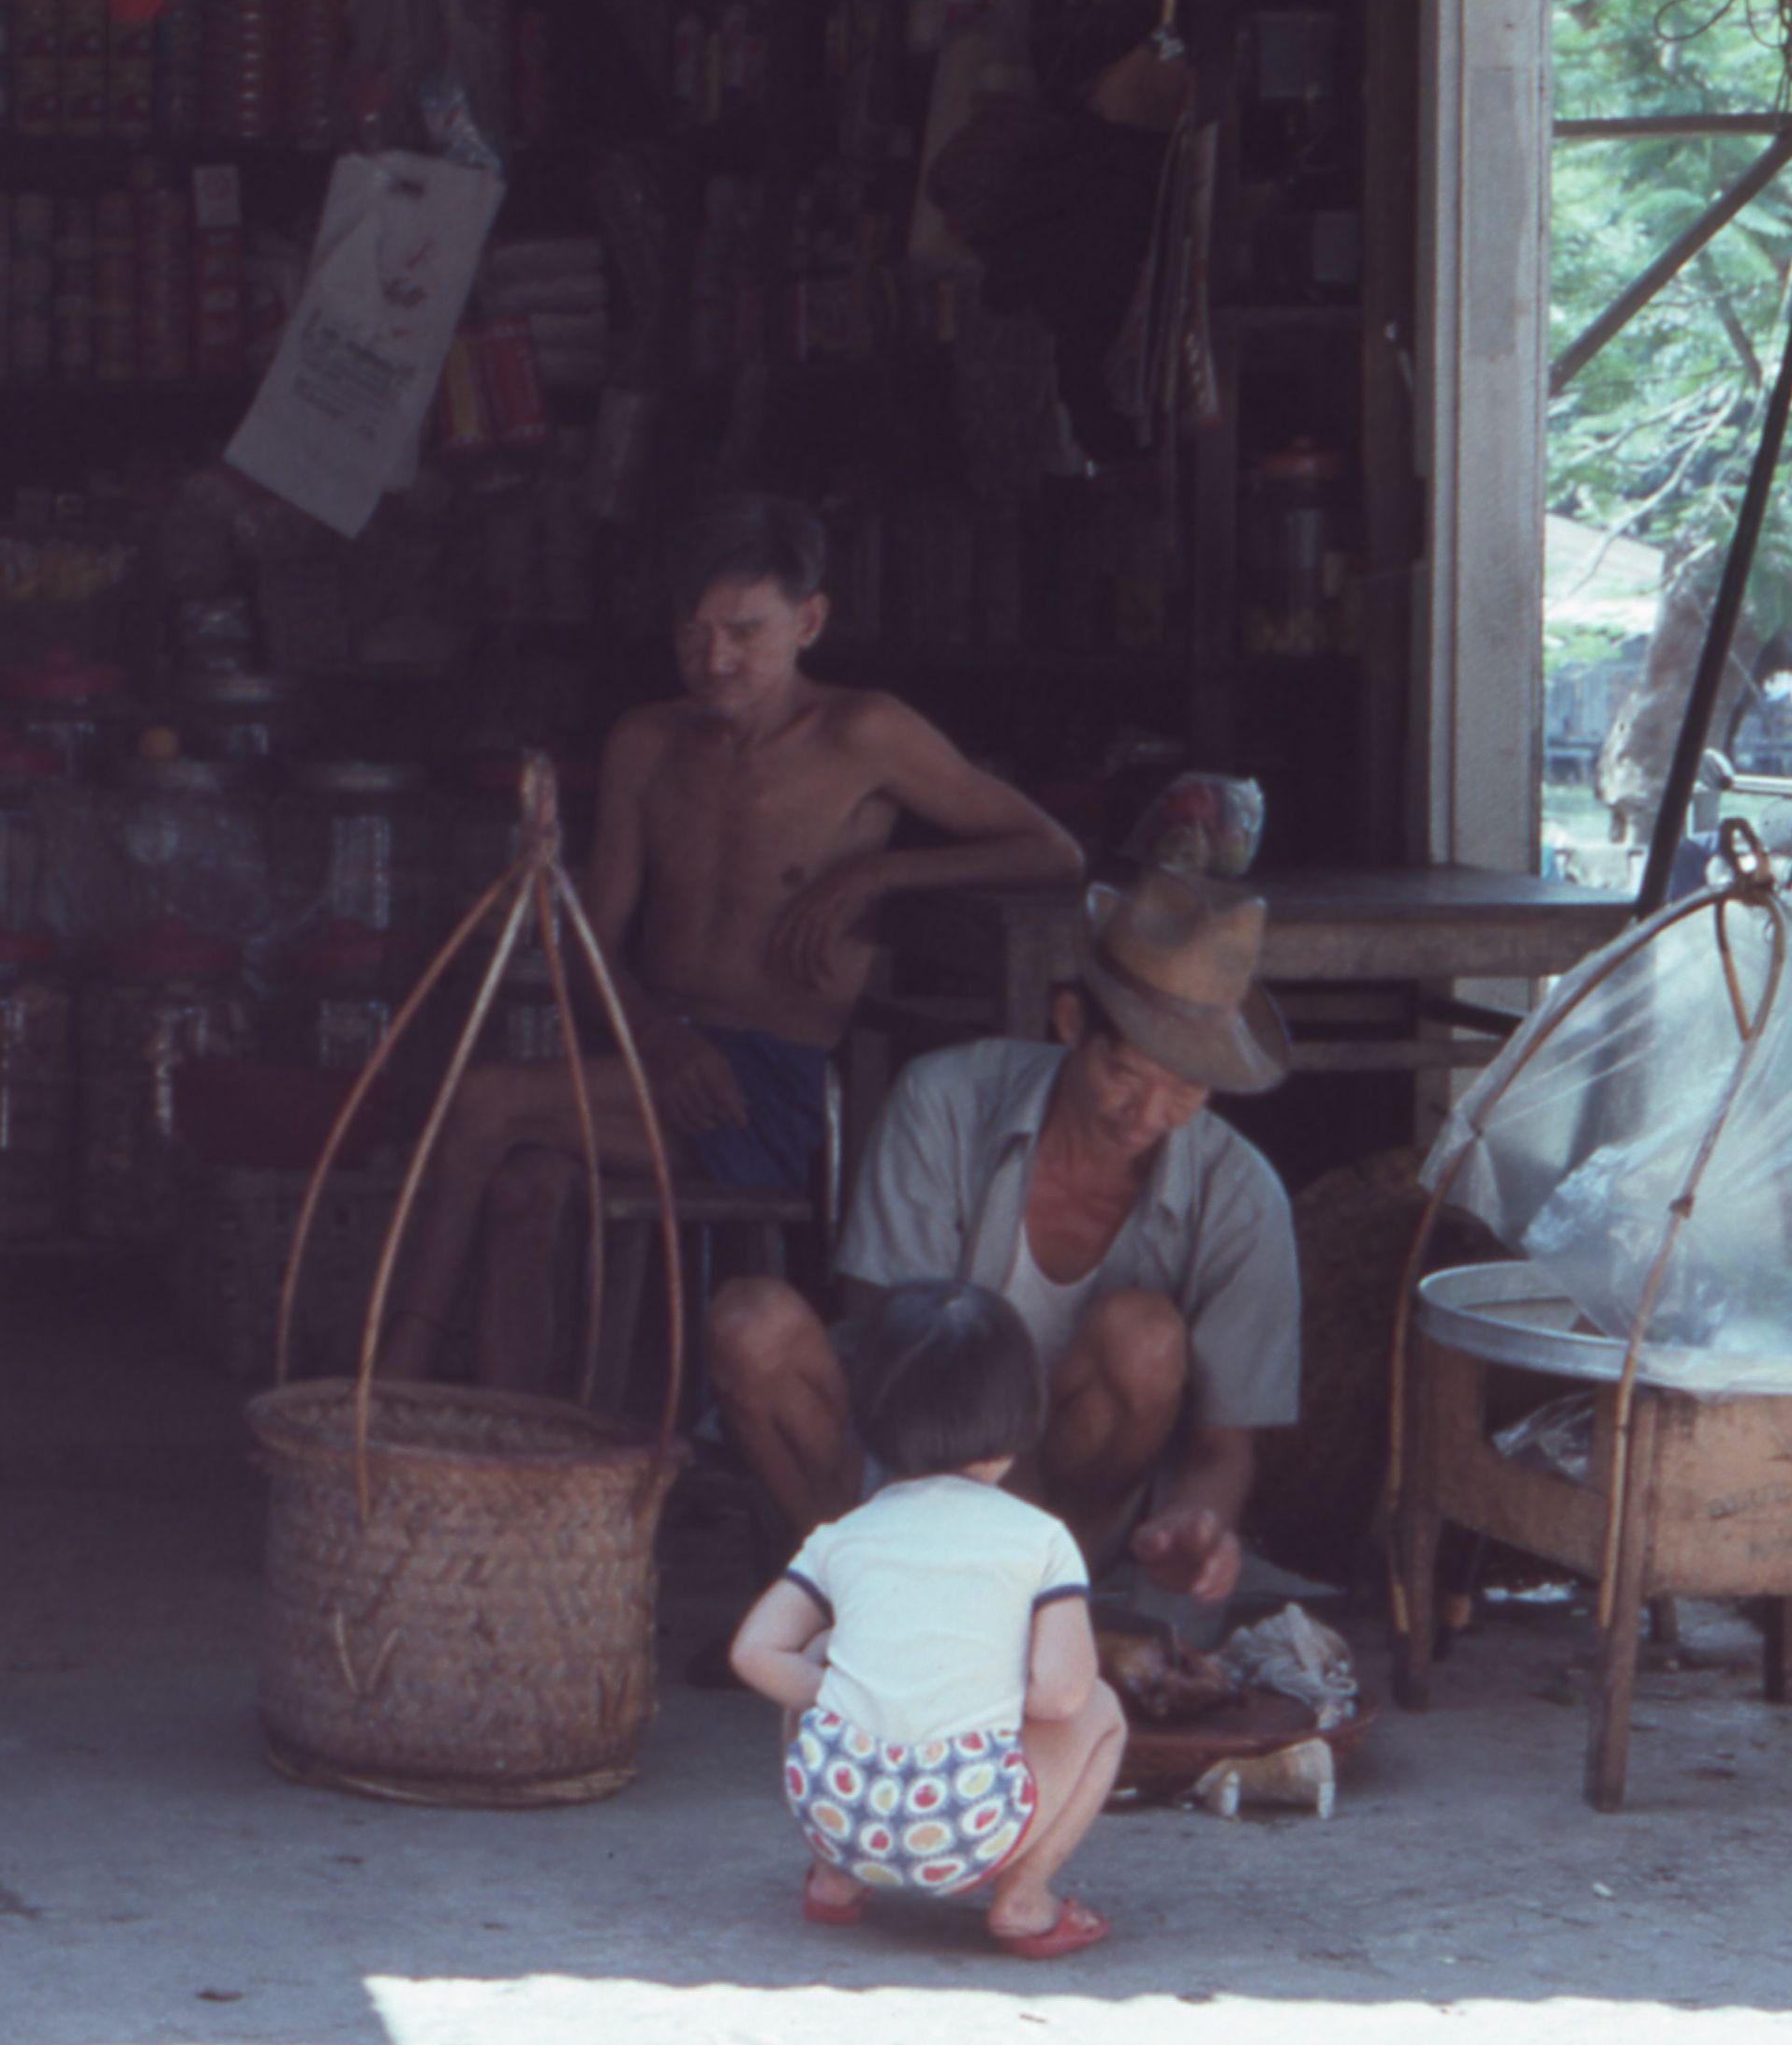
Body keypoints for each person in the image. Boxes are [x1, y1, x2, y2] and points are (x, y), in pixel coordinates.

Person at [378, 496, 1083, 1395]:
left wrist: (879, 874)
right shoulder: (646, 741)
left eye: (745, 633)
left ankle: (395, 1374)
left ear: (809, 621)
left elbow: (1053, 852)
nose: (714, 659)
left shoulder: (863, 734)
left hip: (760, 1088)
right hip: (648, 1059)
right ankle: (512, 1436)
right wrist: (655, 1037)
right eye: (693, 631)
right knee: (523, 1187)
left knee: (484, 1098)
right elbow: (591, 940)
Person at [706, 867, 1303, 1607]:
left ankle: (1043, 1602)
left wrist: (1198, 1522)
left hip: (1072, 1516)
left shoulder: (1241, 1195)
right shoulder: (943, 1099)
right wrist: (954, 1536)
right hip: (901, 1464)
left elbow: (1225, 1445)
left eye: (1184, 1090)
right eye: (1125, 1073)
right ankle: (853, 1590)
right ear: (1070, 1022)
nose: (1148, 1116)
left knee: (1144, 1335)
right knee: (750, 1324)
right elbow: (896, 1356)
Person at [728, 1281, 1127, 1962]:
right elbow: (1064, 1694)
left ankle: (833, 1879)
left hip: (839, 1815)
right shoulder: (1042, 1540)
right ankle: (1024, 1899)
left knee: (823, 1647)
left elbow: (753, 1652)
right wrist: (977, 1693)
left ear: (870, 1417)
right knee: (1104, 1710)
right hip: (966, 1830)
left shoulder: (842, 1535)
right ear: (1022, 1415)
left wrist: (857, 1691)